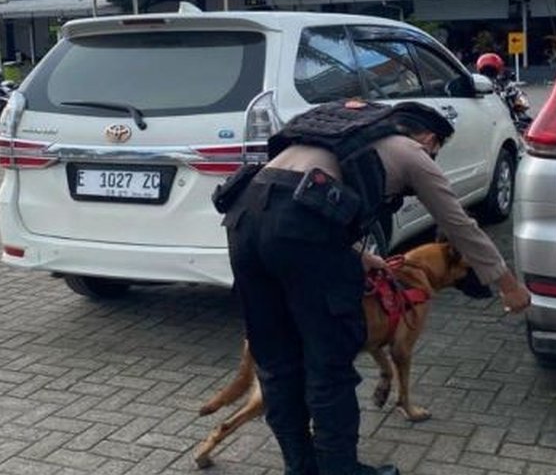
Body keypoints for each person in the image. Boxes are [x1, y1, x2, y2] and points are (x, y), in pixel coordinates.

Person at [213, 100, 532, 475]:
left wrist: (361, 258)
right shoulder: (412, 151)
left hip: (243, 219)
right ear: (429, 138)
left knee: (277, 358)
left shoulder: (338, 136)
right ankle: (340, 470)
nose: (432, 157)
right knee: (329, 360)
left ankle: (300, 468)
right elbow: (459, 224)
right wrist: (508, 283)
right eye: (436, 151)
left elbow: (297, 196)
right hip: (298, 230)